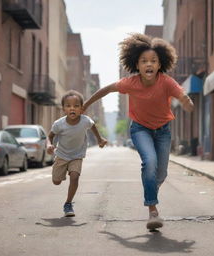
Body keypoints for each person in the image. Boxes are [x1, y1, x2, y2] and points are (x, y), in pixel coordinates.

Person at [82, 33, 194, 230]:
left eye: (153, 61)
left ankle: (151, 188)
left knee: (161, 173)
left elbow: (180, 93)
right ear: (137, 65)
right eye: (144, 61)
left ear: (160, 65)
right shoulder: (130, 83)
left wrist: (186, 100)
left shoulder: (166, 81)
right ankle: (153, 211)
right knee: (149, 162)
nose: (148, 64)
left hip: (163, 131)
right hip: (140, 129)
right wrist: (86, 104)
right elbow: (107, 89)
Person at [47, 90, 107, 217]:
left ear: (81, 109)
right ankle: (58, 171)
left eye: (76, 106)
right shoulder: (59, 124)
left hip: (77, 155)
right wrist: (49, 145)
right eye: (68, 106)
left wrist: (100, 139)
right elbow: (50, 136)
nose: (72, 108)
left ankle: (68, 204)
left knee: (75, 176)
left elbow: (93, 126)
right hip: (62, 155)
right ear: (63, 109)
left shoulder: (85, 121)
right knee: (56, 181)